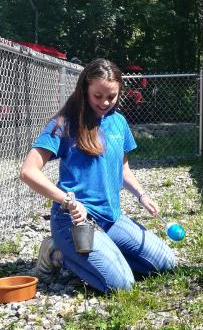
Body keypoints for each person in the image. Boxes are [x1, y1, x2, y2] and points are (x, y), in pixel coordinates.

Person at [19, 58, 176, 293]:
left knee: (166, 262)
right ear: (85, 90)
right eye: (98, 96)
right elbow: (28, 171)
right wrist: (67, 200)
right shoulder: (64, 123)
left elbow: (123, 171)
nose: (105, 102)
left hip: (111, 218)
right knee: (122, 285)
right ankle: (57, 253)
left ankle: (105, 253)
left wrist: (142, 195)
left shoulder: (119, 122)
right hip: (75, 221)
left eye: (111, 97)